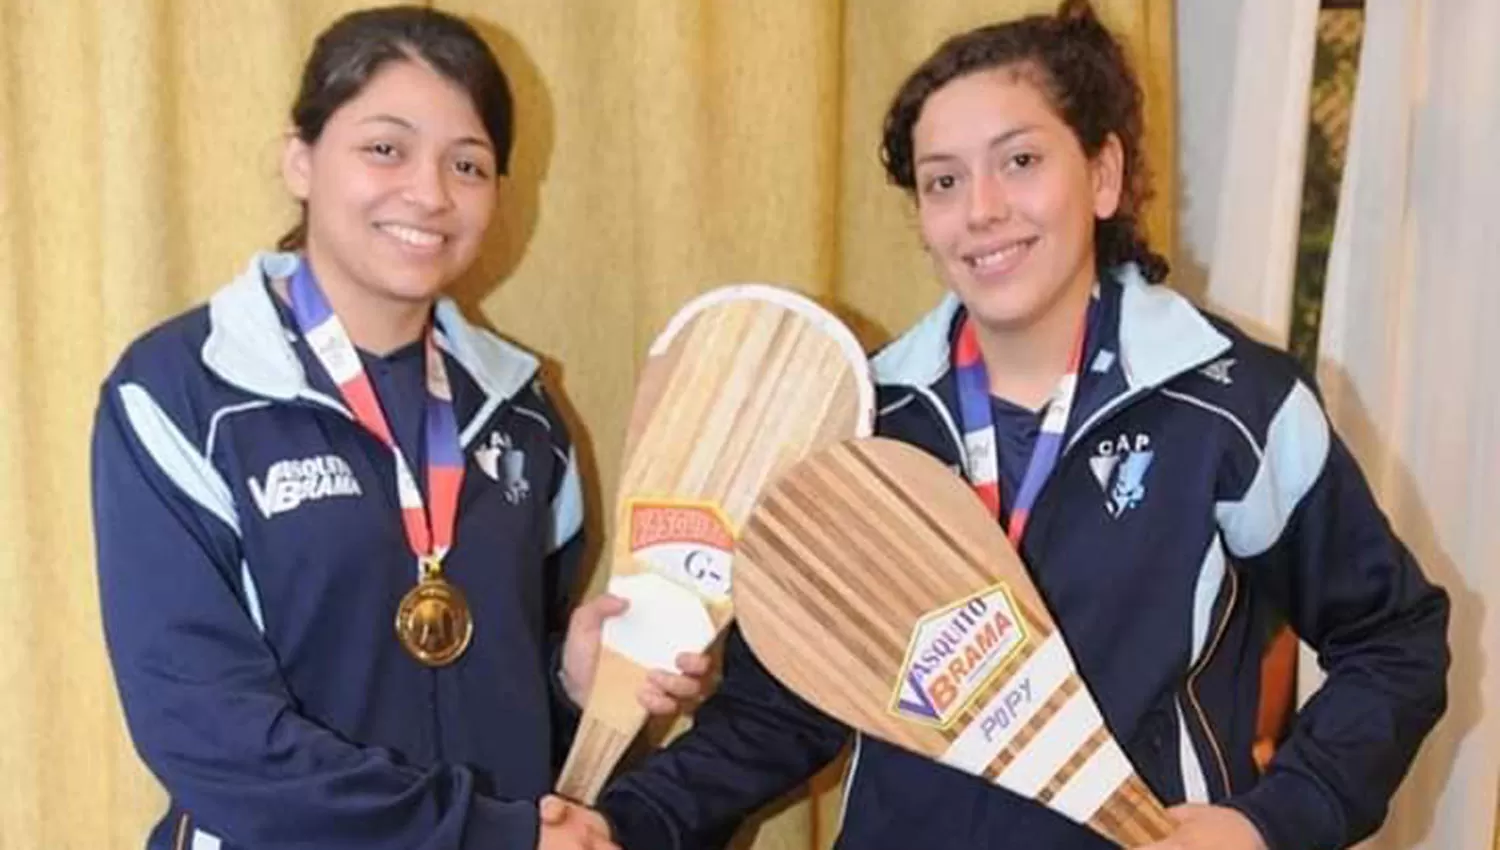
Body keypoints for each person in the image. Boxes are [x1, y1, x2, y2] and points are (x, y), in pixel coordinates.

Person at [596, 2, 1451, 848]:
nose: (982, 209)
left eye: (1021, 160)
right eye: (944, 180)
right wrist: (619, 825)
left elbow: (1395, 640)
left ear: (1104, 175)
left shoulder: (1233, 404)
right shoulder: (868, 420)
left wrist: (1269, 823)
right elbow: (780, 713)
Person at [90, 7, 706, 850]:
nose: (429, 192)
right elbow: (206, 731)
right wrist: (482, 837)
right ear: (300, 160)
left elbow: (500, 690)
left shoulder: (526, 419)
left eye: (469, 164)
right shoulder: (182, 393)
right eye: (386, 148)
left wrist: (570, 681)